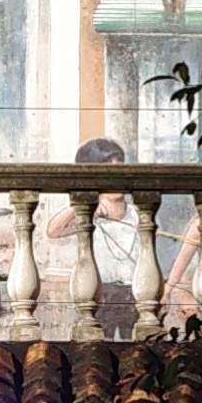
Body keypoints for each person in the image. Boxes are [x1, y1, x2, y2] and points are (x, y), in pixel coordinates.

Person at [76, 135, 150, 338]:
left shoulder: (136, 213)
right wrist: (88, 204)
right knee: (101, 338)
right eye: (108, 176)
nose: (115, 182)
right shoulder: (91, 213)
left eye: (120, 174)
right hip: (101, 290)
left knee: (131, 340)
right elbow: (53, 231)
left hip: (132, 290)